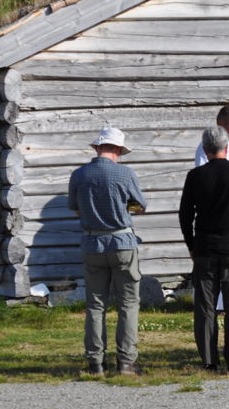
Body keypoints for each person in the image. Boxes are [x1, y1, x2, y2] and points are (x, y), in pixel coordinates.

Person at [179, 126, 229, 373]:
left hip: (204, 247)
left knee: (205, 306)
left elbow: (185, 214)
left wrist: (190, 243)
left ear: (205, 150)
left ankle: (209, 361)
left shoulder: (195, 176)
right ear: (227, 147)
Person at [68, 127, 147, 376]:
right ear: (117, 149)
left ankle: (96, 364)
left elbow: (76, 208)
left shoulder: (79, 175)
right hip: (122, 243)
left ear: (97, 148)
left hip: (92, 244)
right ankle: (126, 363)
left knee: (95, 305)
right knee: (128, 304)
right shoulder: (125, 173)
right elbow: (140, 206)